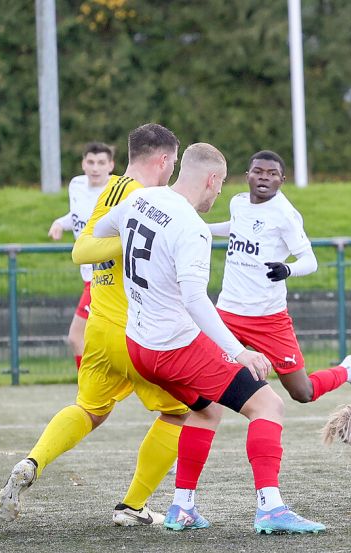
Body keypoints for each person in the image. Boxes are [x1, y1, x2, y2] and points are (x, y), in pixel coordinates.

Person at [92, 143, 325, 535]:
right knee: (267, 404)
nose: (219, 196)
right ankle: (271, 508)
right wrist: (239, 351)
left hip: (139, 345)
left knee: (205, 410)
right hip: (174, 346)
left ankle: (182, 508)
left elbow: (99, 231)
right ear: (212, 180)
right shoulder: (191, 228)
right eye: (219, 187)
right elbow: (195, 299)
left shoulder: (143, 198)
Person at [0, 124, 190, 526]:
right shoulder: (155, 199)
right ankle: (132, 506)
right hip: (138, 331)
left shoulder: (114, 189)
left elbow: (82, 246)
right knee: (179, 414)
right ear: (165, 160)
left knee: (89, 408)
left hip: (99, 327)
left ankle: (33, 461)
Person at [207, 150, 351, 406]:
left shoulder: (285, 215)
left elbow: (310, 261)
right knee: (201, 378)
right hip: (228, 312)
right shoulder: (238, 203)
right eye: (258, 172)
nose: (264, 178)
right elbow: (237, 228)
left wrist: (287, 269)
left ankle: (349, 370)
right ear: (247, 176)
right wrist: (201, 229)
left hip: (268, 318)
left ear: (282, 180)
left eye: (272, 174)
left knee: (302, 392)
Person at [47, 142, 115, 370]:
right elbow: (77, 216)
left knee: (77, 337)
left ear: (111, 166)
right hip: (89, 276)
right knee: (102, 341)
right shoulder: (76, 185)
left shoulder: (116, 193)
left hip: (105, 277)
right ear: (83, 163)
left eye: (101, 163)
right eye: (91, 162)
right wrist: (59, 223)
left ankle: (89, 394)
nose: (95, 168)